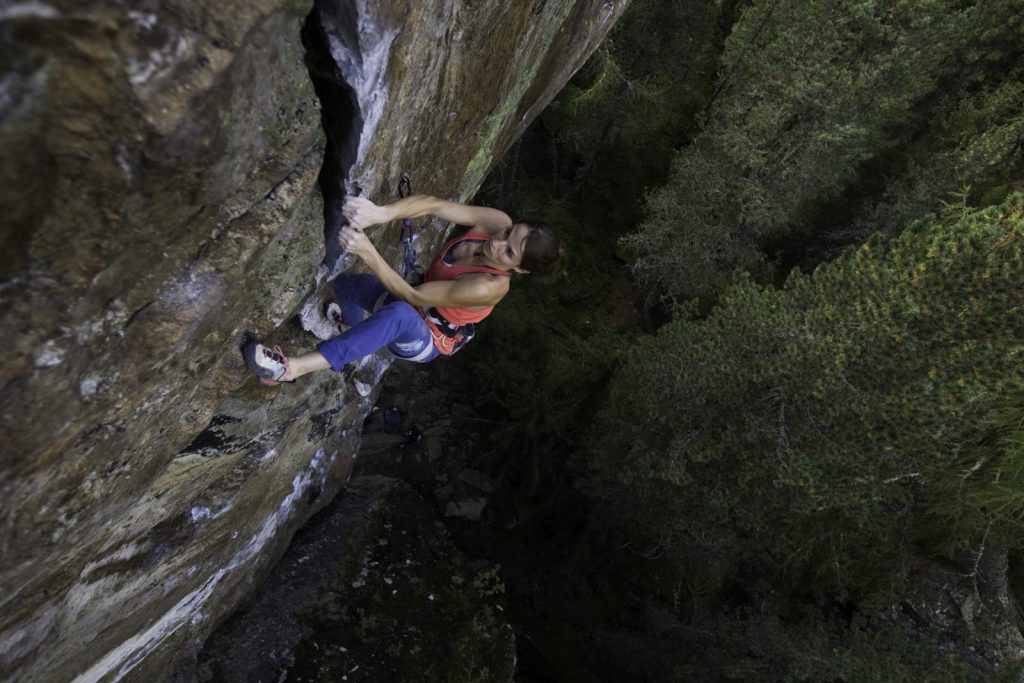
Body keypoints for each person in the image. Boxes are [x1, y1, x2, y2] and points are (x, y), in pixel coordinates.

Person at [242, 194, 566, 385]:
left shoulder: (488, 286)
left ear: (519, 270)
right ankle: (351, 329)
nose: (497, 242)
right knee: (346, 286)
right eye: (508, 233)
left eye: (508, 252)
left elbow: (414, 297)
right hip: (412, 303)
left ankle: (290, 369)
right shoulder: (497, 221)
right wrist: (382, 214)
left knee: (396, 314)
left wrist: (368, 251)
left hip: (425, 338)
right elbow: (434, 206)